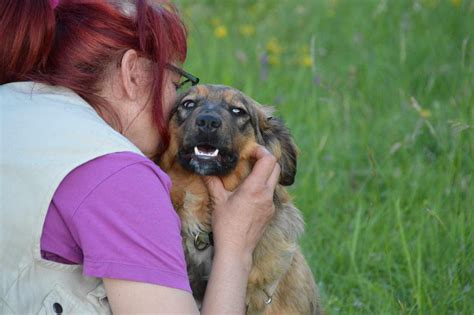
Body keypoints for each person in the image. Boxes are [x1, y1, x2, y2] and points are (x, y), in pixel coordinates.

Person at [0, 0, 280, 313]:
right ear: (132, 72)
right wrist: (236, 248)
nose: (173, 99)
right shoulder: (118, 175)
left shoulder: (9, 105)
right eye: (175, 83)